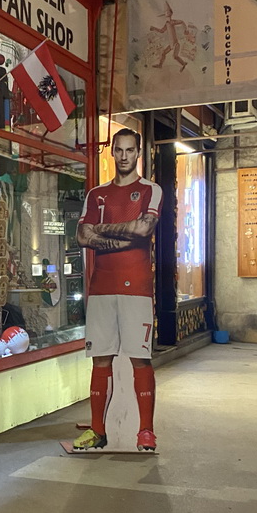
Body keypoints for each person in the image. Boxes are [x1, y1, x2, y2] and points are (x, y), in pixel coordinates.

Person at [73, 128, 162, 452]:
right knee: (100, 359)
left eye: (130, 150)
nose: (124, 156)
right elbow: (83, 236)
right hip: (101, 288)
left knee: (140, 357)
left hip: (136, 287)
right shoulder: (97, 194)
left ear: (138, 153)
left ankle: (146, 431)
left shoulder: (151, 190)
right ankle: (97, 430)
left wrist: (102, 232)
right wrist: (123, 236)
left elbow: (143, 228)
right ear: (112, 152)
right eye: (119, 150)